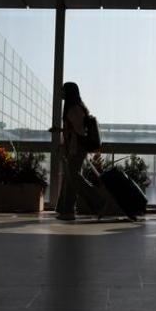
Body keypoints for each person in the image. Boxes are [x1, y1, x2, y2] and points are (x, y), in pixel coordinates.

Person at [49, 82, 103, 221]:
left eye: (63, 90)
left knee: (73, 177)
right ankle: (65, 209)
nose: (61, 93)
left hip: (76, 148)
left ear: (69, 92)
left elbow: (79, 130)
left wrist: (61, 131)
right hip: (74, 147)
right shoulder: (77, 106)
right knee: (69, 177)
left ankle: (97, 200)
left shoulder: (73, 108)